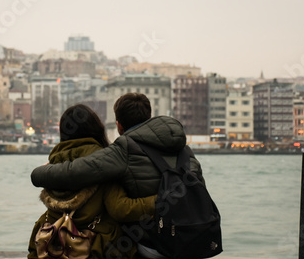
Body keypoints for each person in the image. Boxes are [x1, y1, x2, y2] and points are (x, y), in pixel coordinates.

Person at [31, 93, 205, 258]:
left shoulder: (122, 151)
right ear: (149, 119)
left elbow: (76, 173)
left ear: (119, 125)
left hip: (154, 244)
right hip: (194, 236)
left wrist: (40, 172)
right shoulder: (185, 150)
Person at [28, 104, 156, 259]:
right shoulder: (105, 162)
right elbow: (120, 209)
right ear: (96, 129)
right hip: (95, 245)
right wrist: (160, 201)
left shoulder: (53, 162)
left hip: (54, 244)